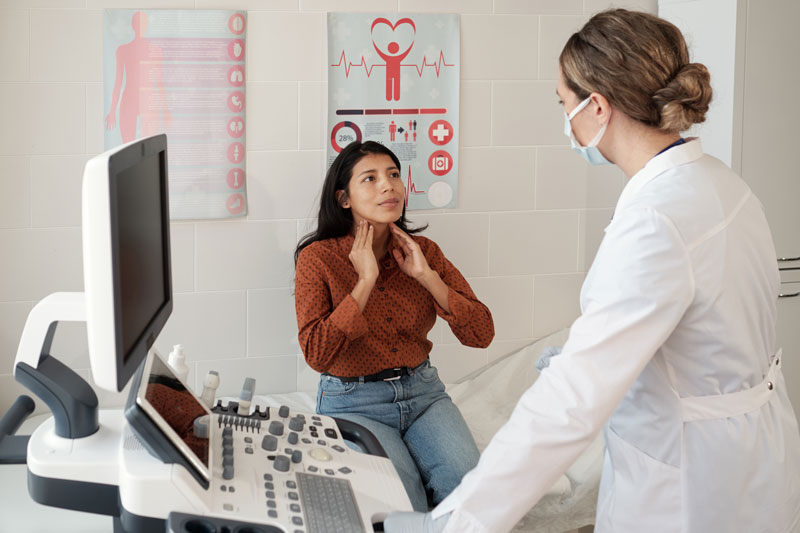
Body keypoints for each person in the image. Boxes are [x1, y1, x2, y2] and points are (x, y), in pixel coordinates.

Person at [386, 9, 800, 533]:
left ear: (598, 106)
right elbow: (710, 337)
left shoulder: (653, 221)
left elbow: (567, 408)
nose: (566, 120)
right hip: (757, 460)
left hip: (688, 487)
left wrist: (454, 522)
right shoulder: (723, 185)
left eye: (564, 104)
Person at [294, 141, 494, 511]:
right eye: (370, 178)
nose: (388, 186)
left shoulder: (425, 252)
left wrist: (427, 277)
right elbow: (317, 353)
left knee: (468, 490)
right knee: (402, 501)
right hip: (353, 402)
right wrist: (365, 280)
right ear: (344, 199)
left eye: (393, 175)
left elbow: (481, 333)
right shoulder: (317, 259)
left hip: (424, 394)